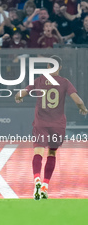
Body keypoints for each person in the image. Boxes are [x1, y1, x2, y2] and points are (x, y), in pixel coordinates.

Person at [15, 55, 88, 200]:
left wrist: (19, 96)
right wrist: (83, 108)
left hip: (41, 122)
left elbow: (23, 92)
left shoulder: (40, 80)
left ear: (48, 66)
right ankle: (45, 187)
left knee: (38, 151)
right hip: (58, 124)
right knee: (52, 154)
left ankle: (36, 179)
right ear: (60, 67)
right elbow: (77, 99)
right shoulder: (64, 82)